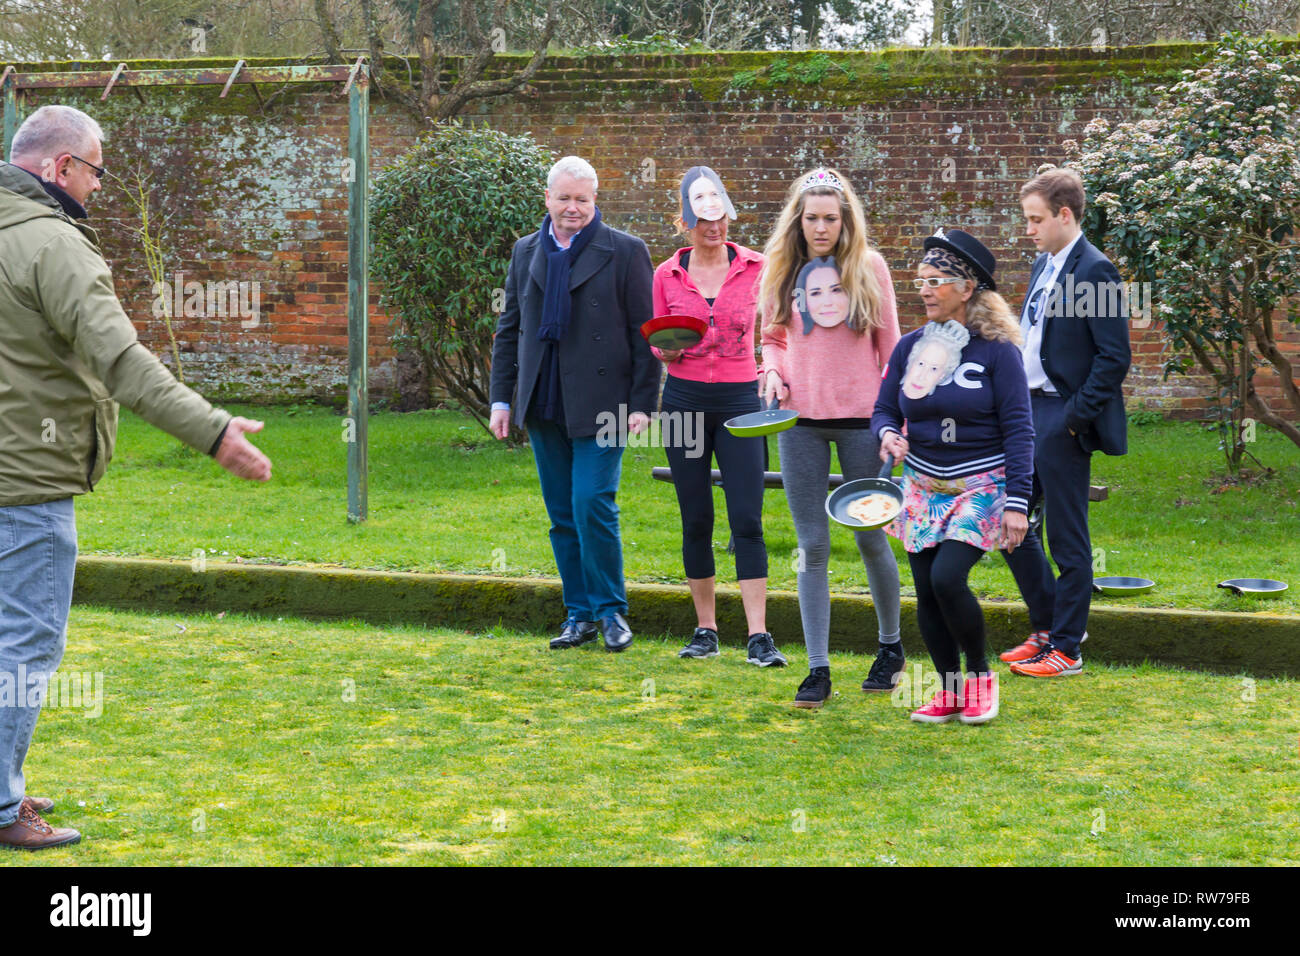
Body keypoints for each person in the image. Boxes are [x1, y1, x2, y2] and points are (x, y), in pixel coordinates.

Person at [0, 105, 272, 850]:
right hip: (23, 484)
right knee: (22, 644)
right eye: (95, 170)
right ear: (59, 168)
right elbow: (122, 362)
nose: (97, 186)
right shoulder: (52, 244)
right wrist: (214, 432)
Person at [489, 155, 658, 653]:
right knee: (562, 513)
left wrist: (644, 402)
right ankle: (579, 614)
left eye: (582, 199)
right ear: (547, 199)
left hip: (604, 403)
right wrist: (502, 398)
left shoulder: (626, 251)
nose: (573, 208)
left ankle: (611, 611)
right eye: (564, 198)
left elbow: (644, 332)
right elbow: (510, 331)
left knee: (592, 504)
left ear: (595, 200)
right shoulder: (525, 252)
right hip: (544, 398)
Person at [873, 228, 1034, 725]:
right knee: (924, 589)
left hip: (981, 486)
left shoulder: (997, 353)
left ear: (968, 289)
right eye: (920, 279)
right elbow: (882, 409)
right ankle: (948, 690)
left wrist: (1018, 503)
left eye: (937, 280)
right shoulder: (908, 347)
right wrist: (887, 435)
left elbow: (1020, 429)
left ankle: (981, 679)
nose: (923, 289)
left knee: (947, 578)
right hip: (921, 487)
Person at [759, 167, 903, 709]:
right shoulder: (781, 268)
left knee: (870, 537)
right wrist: (771, 370)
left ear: (845, 221)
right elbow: (771, 339)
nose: (821, 228)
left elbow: (892, 351)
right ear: (798, 220)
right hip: (800, 424)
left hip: (863, 420)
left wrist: (896, 422)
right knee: (812, 545)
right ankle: (818, 668)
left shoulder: (869, 268)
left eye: (831, 218)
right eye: (812, 217)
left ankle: (890, 650)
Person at [999, 166, 1131, 677]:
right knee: (1004, 521)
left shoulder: (1096, 270)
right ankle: (1048, 627)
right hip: (1028, 411)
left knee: (1066, 536)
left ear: (1064, 215)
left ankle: (1068, 649)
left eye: (1035, 220)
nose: (1028, 229)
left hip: (1061, 415)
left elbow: (1113, 358)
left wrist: (1072, 420)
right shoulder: (1044, 263)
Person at [651, 166, 783, 665]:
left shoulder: (758, 266)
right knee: (696, 517)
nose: (715, 227)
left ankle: (758, 635)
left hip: (740, 401)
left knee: (746, 516)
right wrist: (665, 350)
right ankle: (705, 630)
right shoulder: (666, 273)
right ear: (683, 221)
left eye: (721, 217)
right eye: (703, 219)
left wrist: (771, 367)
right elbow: (659, 340)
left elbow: (775, 332)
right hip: (684, 401)